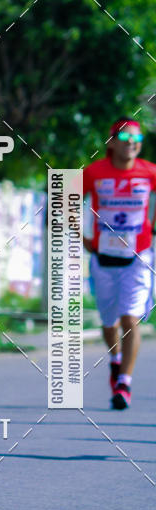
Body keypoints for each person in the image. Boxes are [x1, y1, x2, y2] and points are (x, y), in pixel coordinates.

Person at [83, 118, 156, 409]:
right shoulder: (94, 172)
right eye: (125, 136)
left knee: (130, 318)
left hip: (139, 258)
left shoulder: (150, 172)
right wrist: (83, 236)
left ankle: (124, 382)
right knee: (108, 322)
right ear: (111, 142)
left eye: (137, 138)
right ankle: (114, 358)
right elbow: (66, 199)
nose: (132, 142)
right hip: (104, 258)